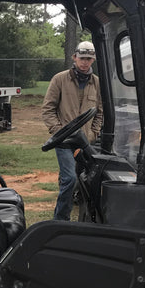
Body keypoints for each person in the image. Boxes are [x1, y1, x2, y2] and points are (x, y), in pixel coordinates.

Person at [41, 40, 103, 220]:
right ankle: (61, 220)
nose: (85, 62)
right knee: (70, 179)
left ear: (94, 60)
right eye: (82, 58)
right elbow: (48, 109)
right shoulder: (60, 79)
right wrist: (59, 132)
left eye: (89, 59)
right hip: (65, 141)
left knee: (86, 179)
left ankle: (88, 218)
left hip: (85, 141)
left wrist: (93, 133)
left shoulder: (97, 83)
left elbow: (100, 112)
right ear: (74, 57)